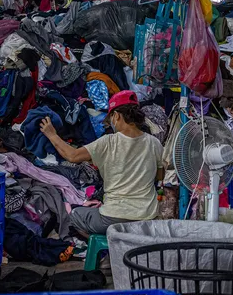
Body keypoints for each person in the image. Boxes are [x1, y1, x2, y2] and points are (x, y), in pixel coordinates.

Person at [39, 90, 163, 237]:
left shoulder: (109, 141)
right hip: (147, 217)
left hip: (112, 217)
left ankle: (106, 249)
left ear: (116, 116)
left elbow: (71, 156)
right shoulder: (154, 143)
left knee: (75, 215)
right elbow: (159, 175)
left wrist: (51, 134)